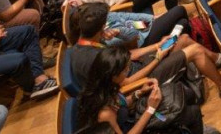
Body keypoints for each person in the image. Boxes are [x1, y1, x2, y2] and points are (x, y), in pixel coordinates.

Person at [70, 3, 221, 95]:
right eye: (105, 24)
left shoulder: (89, 41)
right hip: (140, 81)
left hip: (139, 64)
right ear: (99, 28)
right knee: (195, 51)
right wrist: (158, 57)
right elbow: (125, 84)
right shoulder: (92, 58)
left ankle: (216, 59)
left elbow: (129, 54)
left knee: (182, 39)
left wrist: (157, 46)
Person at [76, 47, 208, 134]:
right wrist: (150, 109)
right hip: (138, 127)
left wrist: (138, 93)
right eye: (126, 70)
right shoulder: (104, 114)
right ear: (113, 75)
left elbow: (120, 105)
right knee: (193, 112)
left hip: (136, 116)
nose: (128, 72)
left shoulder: (105, 88)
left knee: (186, 94)